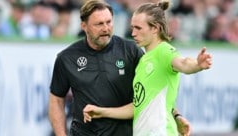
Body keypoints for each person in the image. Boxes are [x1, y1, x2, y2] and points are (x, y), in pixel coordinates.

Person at [48, 0, 192, 136]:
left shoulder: (131, 50)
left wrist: (176, 115)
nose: (105, 28)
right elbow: (56, 99)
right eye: (99, 24)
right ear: (84, 26)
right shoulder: (66, 58)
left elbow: (152, 89)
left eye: (109, 22)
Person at [83, 0, 212, 136]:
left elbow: (183, 63)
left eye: (138, 28)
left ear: (155, 28)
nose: (133, 33)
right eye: (132, 27)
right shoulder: (143, 61)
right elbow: (138, 107)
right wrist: (101, 111)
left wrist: (197, 65)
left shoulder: (164, 51)